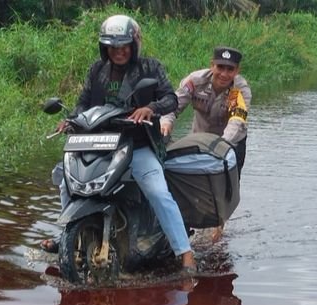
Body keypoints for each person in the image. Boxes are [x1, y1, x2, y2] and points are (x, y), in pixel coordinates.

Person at [41, 14, 196, 273]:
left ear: (134, 45)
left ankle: (186, 254)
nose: (118, 51)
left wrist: (150, 108)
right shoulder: (96, 70)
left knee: (158, 192)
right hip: (99, 144)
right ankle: (70, 233)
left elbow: (171, 98)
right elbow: (83, 102)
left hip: (138, 144)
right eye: (112, 47)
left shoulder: (150, 68)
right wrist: (70, 120)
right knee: (67, 180)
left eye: (124, 45)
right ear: (105, 48)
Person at [159, 46, 251, 175]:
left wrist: (220, 146)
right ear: (212, 65)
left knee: (228, 186)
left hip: (231, 143)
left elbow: (236, 123)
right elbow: (173, 105)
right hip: (199, 138)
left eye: (230, 69)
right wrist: (166, 122)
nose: (224, 74)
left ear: (237, 71)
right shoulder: (195, 81)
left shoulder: (240, 90)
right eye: (220, 67)